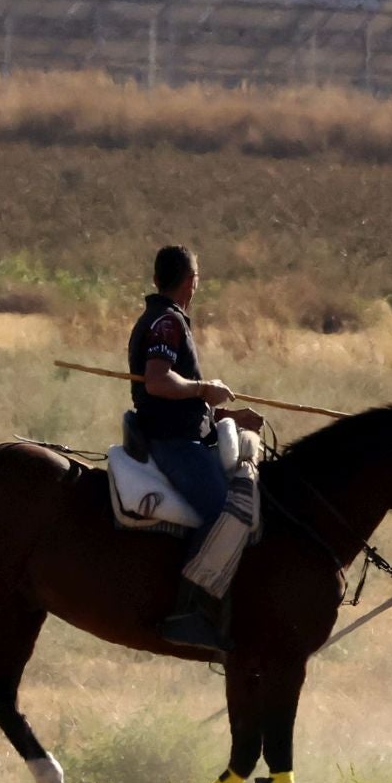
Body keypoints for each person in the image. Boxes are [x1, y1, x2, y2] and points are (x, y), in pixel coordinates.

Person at [128, 245, 260, 657]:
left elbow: (176, 391)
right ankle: (187, 612)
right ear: (191, 282)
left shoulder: (165, 318)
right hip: (174, 442)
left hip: (183, 433)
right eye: (196, 279)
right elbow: (157, 381)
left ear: (156, 280)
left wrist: (227, 415)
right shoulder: (167, 323)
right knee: (226, 512)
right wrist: (204, 388)